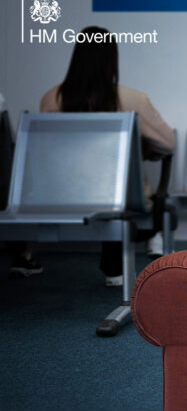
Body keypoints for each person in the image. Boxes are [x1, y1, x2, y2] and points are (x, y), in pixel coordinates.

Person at [26, 25, 177, 284]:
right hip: (115, 197)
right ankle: (128, 255)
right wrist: (142, 149)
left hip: (62, 194)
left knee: (95, 179)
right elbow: (168, 143)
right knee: (156, 205)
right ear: (112, 60)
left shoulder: (51, 99)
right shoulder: (132, 99)